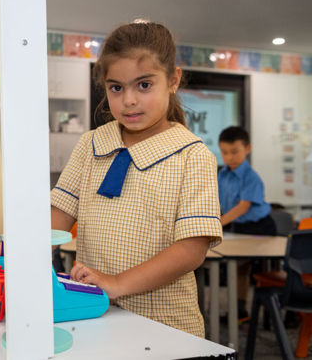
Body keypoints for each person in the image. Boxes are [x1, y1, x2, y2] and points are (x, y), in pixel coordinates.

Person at [50, 21, 223, 337]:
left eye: (143, 85)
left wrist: (116, 283)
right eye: (116, 87)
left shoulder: (192, 155)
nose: (128, 100)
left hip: (166, 327)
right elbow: (54, 219)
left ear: (173, 80)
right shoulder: (91, 144)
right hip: (95, 317)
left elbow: (191, 250)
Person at [217, 125, 276, 322]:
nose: (229, 157)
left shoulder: (251, 177)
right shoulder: (222, 175)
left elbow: (243, 207)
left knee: (266, 270)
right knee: (239, 268)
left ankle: (274, 313)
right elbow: (219, 204)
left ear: (247, 149)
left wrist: (218, 224)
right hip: (239, 227)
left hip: (261, 227)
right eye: (225, 152)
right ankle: (240, 310)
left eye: (235, 152)